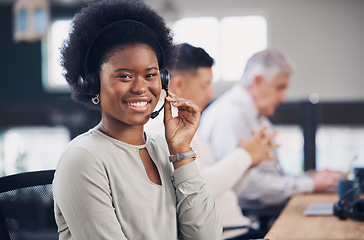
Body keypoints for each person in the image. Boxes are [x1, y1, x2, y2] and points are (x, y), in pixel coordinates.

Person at [52, 1, 222, 240]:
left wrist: (181, 152)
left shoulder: (164, 148)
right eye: (124, 76)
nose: (141, 87)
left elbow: (207, 236)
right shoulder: (83, 158)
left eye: (150, 75)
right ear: (92, 83)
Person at [145, 43, 277, 240]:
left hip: (239, 229)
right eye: (205, 85)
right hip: (227, 234)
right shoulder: (160, 131)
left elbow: (227, 191)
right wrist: (245, 156)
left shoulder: (187, 126)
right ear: (178, 85)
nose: (211, 94)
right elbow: (200, 189)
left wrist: (248, 164)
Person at [199, 48, 346, 207]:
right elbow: (246, 187)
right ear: (257, 81)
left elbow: (272, 175)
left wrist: (309, 178)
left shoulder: (256, 114)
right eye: (280, 87)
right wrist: (309, 183)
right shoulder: (230, 116)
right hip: (250, 221)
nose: (283, 98)